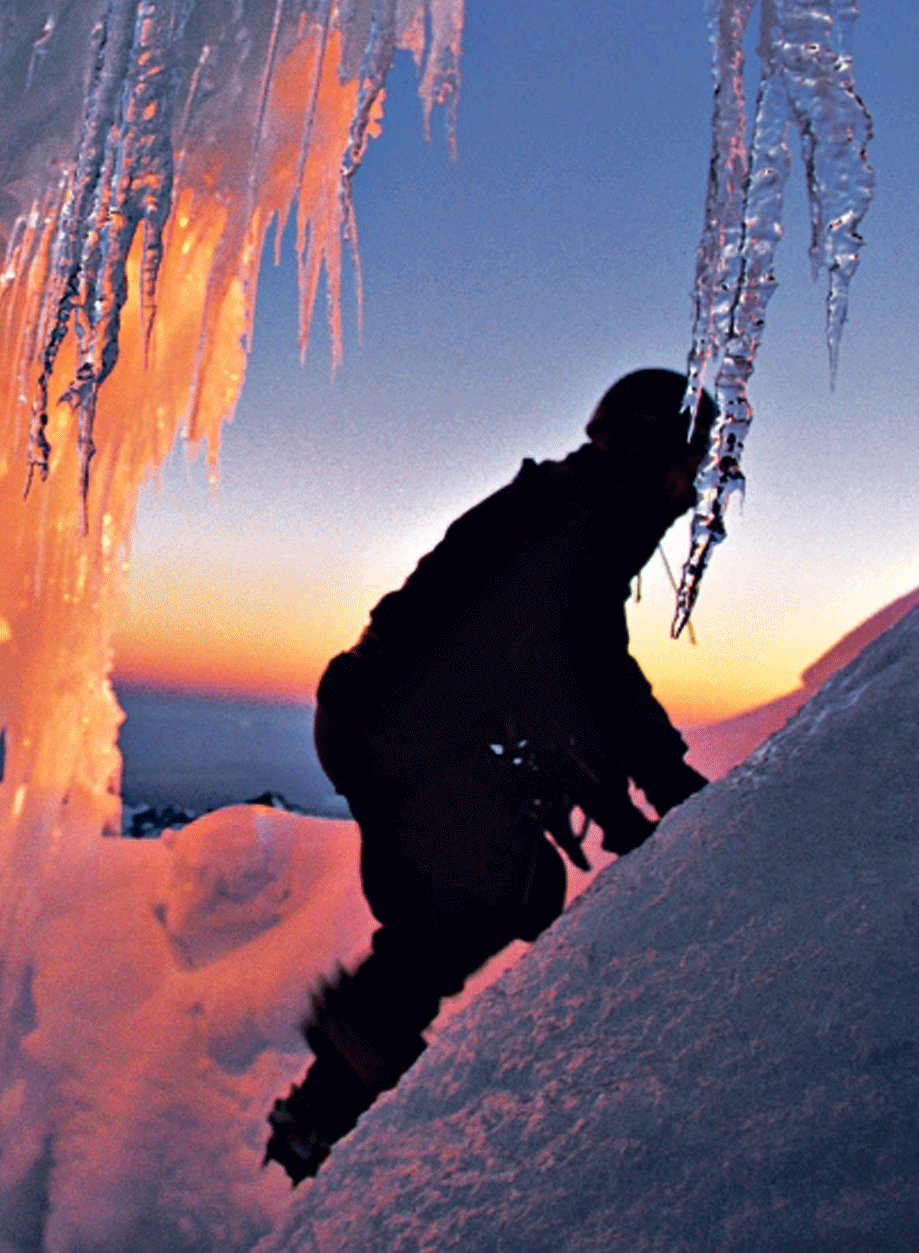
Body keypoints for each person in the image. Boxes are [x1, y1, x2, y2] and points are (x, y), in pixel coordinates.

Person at [264, 368, 718, 1182]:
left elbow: (567, 671)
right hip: (390, 734)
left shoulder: (572, 515)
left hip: (384, 726)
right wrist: (656, 785)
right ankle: (337, 1100)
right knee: (499, 889)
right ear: (643, 455)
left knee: (496, 893)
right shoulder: (570, 528)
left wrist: (635, 788)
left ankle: (335, 1094)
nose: (690, 494)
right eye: (685, 470)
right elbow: (584, 673)